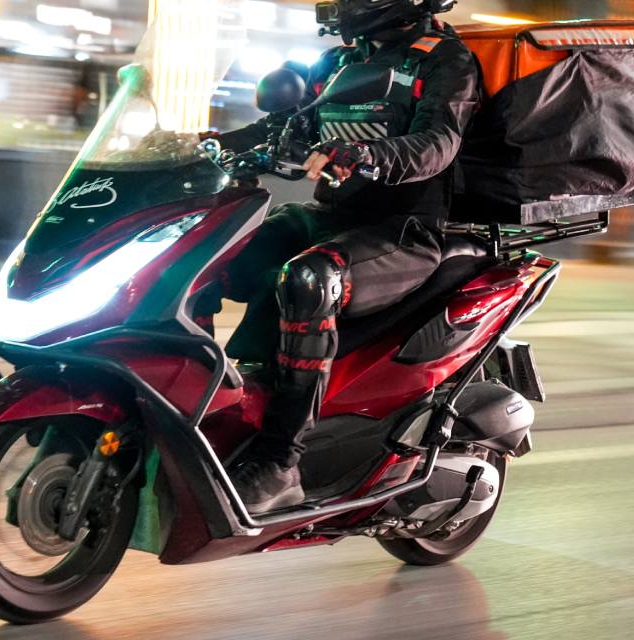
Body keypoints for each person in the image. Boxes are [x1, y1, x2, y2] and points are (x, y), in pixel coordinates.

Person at [204, 0, 481, 513]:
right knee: (213, 252)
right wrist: (206, 144)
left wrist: (367, 154)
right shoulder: (339, 61)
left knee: (311, 279)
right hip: (329, 216)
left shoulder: (444, 59)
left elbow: (438, 143)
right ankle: (198, 398)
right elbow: (286, 126)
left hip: (402, 231)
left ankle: (279, 462)